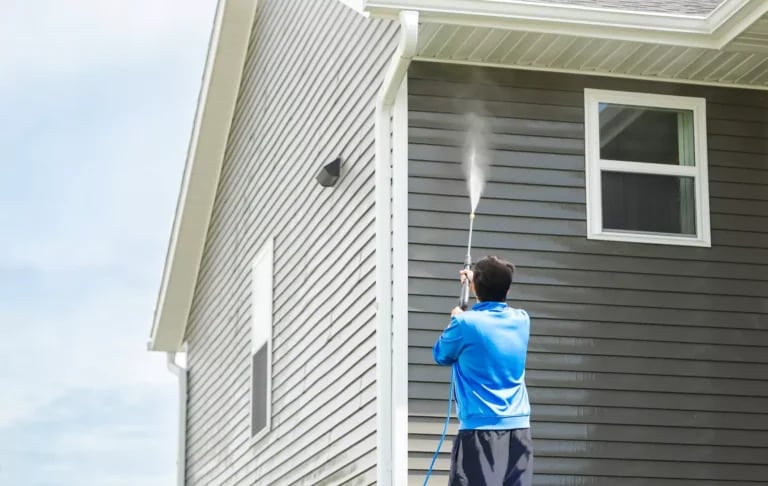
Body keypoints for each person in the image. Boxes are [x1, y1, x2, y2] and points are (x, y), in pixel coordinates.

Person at [433, 255, 533, 486]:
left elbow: (441, 355)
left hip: (480, 430)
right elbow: (496, 296)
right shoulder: (522, 320)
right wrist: (477, 282)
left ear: (476, 285)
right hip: (519, 430)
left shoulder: (464, 324)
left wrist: (455, 319)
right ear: (507, 288)